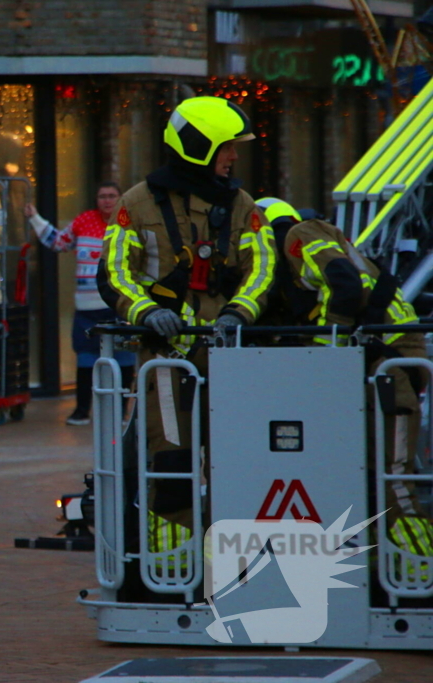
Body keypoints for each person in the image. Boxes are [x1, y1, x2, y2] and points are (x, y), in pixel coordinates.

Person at [99, 96, 276, 562]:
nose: (234, 157)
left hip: (228, 360)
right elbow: (115, 272)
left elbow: (263, 268)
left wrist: (237, 313)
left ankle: (231, 567)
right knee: (171, 465)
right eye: (227, 148)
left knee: (233, 463)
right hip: (165, 361)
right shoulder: (135, 203)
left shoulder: (242, 205)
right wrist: (143, 311)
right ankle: (172, 572)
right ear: (199, 147)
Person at [257, 197, 432, 563]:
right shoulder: (301, 268)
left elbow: (346, 286)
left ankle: (419, 573)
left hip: (389, 366)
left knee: (393, 481)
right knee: (366, 481)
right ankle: (385, 573)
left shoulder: (299, 235)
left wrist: (324, 354)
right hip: (377, 366)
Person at [24, 182, 136, 425]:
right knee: (85, 359)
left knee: (125, 357)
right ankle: (82, 411)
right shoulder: (84, 221)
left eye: (111, 196)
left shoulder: (129, 222)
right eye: (102, 196)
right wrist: (35, 219)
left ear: (121, 198)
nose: (106, 201)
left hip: (118, 305)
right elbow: (58, 242)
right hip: (86, 309)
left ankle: (121, 412)